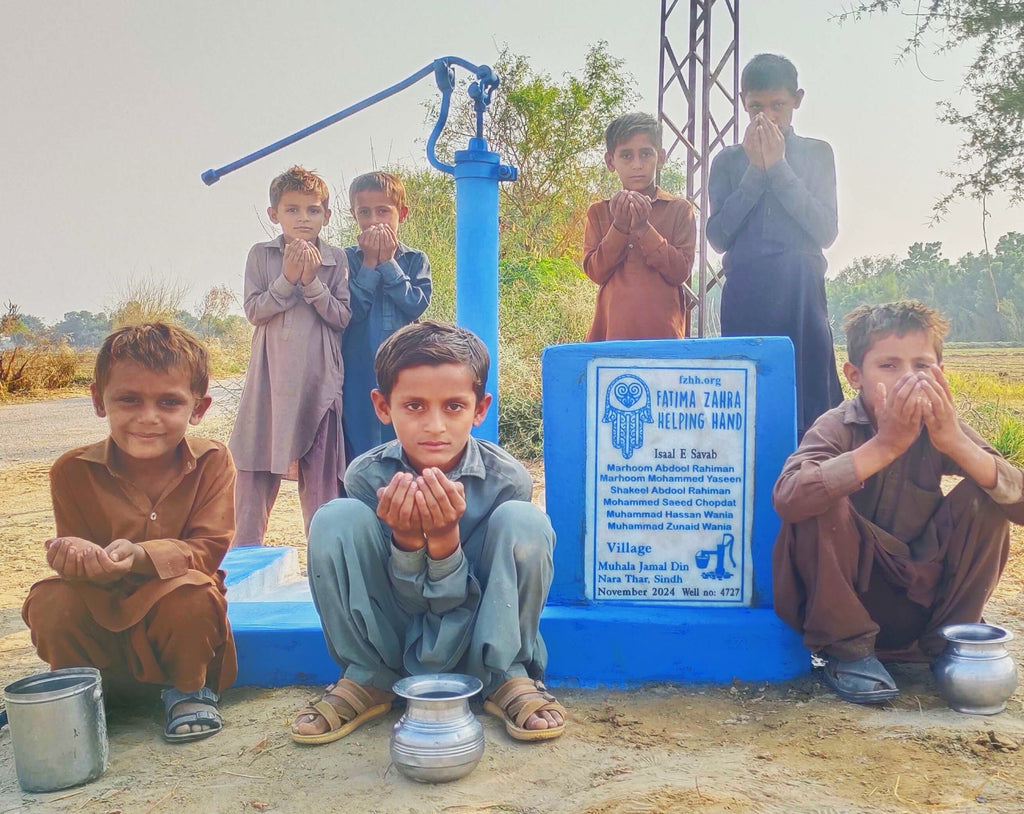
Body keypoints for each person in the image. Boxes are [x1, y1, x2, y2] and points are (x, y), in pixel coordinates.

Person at [290, 321, 565, 744]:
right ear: (383, 407)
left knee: (526, 523)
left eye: (453, 406)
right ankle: (368, 676)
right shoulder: (366, 477)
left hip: (478, 635)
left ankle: (504, 675)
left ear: (480, 408)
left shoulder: (506, 481)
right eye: (414, 406)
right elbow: (408, 599)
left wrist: (443, 542)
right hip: (393, 635)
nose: (434, 425)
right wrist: (406, 543)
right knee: (334, 520)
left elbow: (461, 600)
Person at [772, 301, 1024, 704]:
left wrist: (956, 444)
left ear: (941, 373)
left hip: (920, 599)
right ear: (854, 375)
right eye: (888, 366)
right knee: (820, 496)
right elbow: (788, 498)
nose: (909, 379)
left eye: (922, 366)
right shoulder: (837, 425)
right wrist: (885, 446)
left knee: (986, 493)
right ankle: (848, 652)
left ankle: (948, 643)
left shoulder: (943, 427)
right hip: (848, 600)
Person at [22, 323, 237, 742]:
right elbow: (78, 559)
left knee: (193, 592)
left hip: (180, 631)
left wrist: (141, 556)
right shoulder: (71, 471)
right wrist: (80, 557)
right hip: (105, 615)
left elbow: (208, 550)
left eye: (169, 402)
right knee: (50, 598)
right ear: (99, 401)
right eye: (129, 400)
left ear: (199, 408)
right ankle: (83, 692)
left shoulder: (212, 461)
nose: (148, 418)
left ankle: (190, 692)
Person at [706, 54, 843, 438]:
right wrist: (755, 170)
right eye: (756, 107)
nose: (767, 116)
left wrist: (779, 167)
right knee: (747, 404)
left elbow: (825, 230)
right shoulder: (728, 162)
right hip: (746, 292)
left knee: (811, 401)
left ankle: (814, 486)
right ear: (742, 102)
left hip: (801, 292)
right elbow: (717, 237)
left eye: (777, 105)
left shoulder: (818, 153)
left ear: (797, 100)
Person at [229, 165, 351, 544]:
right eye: (292, 210)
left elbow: (342, 317)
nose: (303, 218)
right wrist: (286, 279)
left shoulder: (336, 259)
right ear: (274, 215)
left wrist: (311, 282)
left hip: (319, 379)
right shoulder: (261, 255)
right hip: (270, 379)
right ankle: (245, 560)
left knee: (321, 478)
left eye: (313, 210)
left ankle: (325, 564)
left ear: (327, 216)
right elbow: (254, 311)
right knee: (254, 467)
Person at [583, 112, 696, 341]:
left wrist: (644, 229)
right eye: (626, 155)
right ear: (610, 162)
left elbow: (680, 271)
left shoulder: (679, 210)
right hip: (611, 336)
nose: (637, 165)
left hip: (665, 336)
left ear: (661, 158)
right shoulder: (600, 212)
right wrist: (620, 227)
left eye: (646, 154)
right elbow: (595, 272)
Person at [342, 171, 431, 460]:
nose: (374, 220)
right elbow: (351, 311)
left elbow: (415, 304)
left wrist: (389, 263)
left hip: (403, 369)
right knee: (359, 443)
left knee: (403, 439)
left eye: (383, 211)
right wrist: (369, 263)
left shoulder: (415, 259)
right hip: (357, 369)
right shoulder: (346, 260)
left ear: (401, 214)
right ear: (354, 216)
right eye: (364, 212)